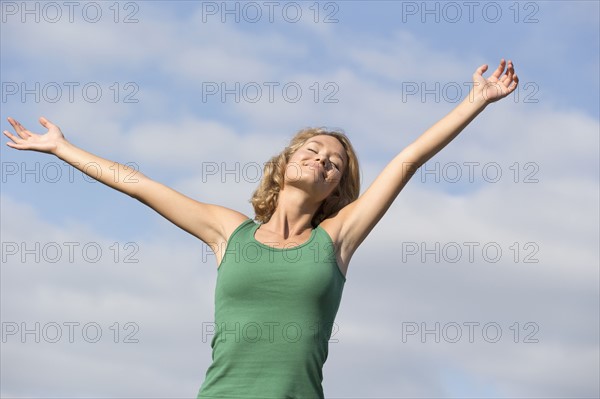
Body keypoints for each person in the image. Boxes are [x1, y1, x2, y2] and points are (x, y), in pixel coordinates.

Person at [3, 59, 518, 398]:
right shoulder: (229, 232)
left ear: (336, 190)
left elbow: (408, 160)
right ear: (287, 161)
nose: (321, 160)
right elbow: (139, 183)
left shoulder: (335, 239)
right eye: (312, 150)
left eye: (334, 163)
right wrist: (61, 148)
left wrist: (475, 100)